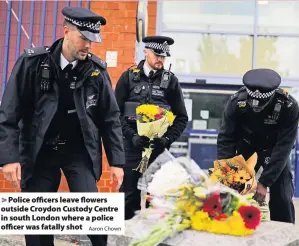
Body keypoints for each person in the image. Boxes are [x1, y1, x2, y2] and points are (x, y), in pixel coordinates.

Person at [0, 6, 124, 246]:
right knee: (37, 226)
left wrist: (117, 163)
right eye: (84, 38)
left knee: (95, 220)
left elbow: (110, 118)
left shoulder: (96, 71)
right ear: (66, 31)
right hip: (39, 152)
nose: (89, 46)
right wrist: (8, 158)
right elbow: (9, 113)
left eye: (93, 40)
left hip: (78, 151)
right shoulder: (32, 64)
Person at [115, 35, 188, 220]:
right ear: (145, 52)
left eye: (164, 56)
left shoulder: (171, 81)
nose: (160, 60)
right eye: (157, 55)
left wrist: (167, 139)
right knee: (128, 198)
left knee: (156, 199)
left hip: (158, 150)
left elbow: (182, 117)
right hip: (132, 149)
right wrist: (132, 136)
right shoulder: (128, 77)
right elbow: (115, 114)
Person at [217, 68, 298, 224]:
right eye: (253, 103)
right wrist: (228, 176)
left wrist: (264, 182)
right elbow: (226, 140)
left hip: (274, 152)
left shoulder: (288, 107)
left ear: (272, 96)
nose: (256, 107)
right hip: (246, 150)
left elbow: (284, 148)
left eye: (261, 104)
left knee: (282, 197)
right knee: (231, 195)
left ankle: (283, 236)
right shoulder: (236, 103)